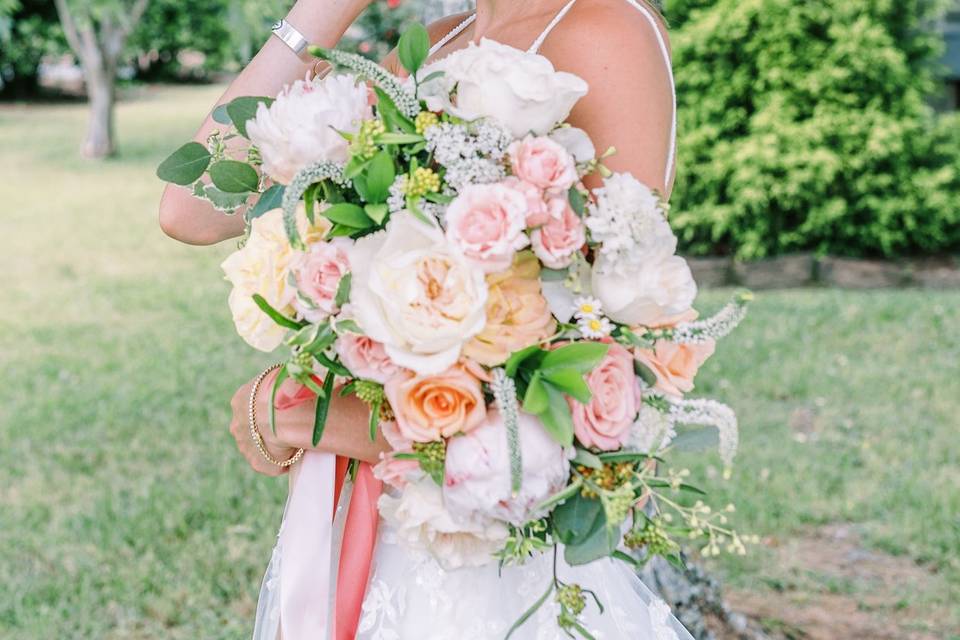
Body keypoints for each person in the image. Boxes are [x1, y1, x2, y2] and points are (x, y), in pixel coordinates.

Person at [159, 1, 688, 637]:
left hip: (486, 578)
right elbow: (193, 210)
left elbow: (596, 390)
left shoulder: (605, 29)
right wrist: (321, 12)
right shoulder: (435, 44)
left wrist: (311, 414)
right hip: (376, 530)